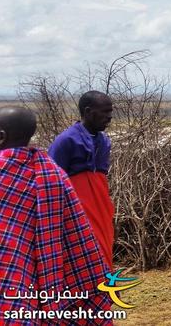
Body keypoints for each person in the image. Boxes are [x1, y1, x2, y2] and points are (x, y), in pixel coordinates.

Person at [0, 106, 112, 322]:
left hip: (10, 263)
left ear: (1, 136)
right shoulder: (52, 171)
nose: (109, 116)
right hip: (48, 261)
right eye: (105, 111)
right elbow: (75, 233)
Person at [49, 90, 115, 268]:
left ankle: (104, 294)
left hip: (100, 208)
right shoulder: (66, 140)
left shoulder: (104, 141)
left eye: (110, 112)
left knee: (103, 252)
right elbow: (52, 181)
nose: (109, 117)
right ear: (88, 112)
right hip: (75, 212)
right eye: (105, 112)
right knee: (83, 257)